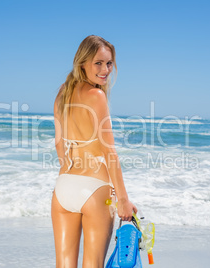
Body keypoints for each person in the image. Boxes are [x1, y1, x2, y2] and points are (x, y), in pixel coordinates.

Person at [51, 35, 138, 267]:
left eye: (109, 63)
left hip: (64, 187)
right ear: (83, 63)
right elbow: (110, 152)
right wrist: (123, 200)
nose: (105, 69)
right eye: (98, 63)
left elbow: (59, 144)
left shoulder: (62, 92)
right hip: (94, 189)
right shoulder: (96, 95)